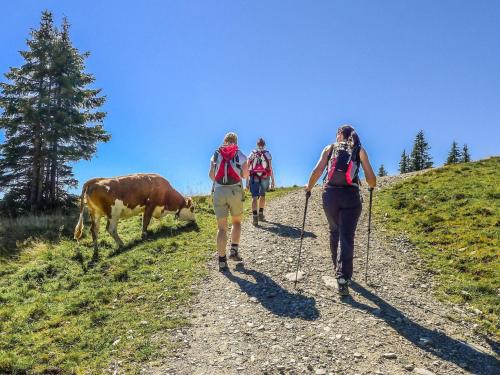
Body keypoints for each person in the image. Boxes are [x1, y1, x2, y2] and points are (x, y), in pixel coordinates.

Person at [305, 125, 376, 296]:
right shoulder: (359, 149)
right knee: (347, 236)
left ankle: (337, 267)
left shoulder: (330, 148)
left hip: (330, 195)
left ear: (339, 135)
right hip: (351, 195)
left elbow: (318, 170)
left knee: (334, 231)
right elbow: (371, 179)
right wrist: (371, 185)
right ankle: (343, 278)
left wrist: (309, 187)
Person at [209, 132, 249, 271]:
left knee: (221, 228)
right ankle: (234, 251)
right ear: (236, 141)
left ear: (224, 141)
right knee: (236, 222)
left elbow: (211, 175)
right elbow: (245, 175)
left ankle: (221, 261)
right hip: (235, 191)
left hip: (219, 191)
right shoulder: (240, 154)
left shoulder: (216, 154)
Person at [247, 138, 275, 225]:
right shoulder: (267, 154)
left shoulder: (252, 153)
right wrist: (273, 180)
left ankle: (255, 218)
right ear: (264, 145)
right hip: (265, 177)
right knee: (262, 195)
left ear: (257, 145)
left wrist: (246, 181)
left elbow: (247, 168)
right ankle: (261, 215)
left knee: (254, 197)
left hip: (253, 177)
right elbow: (270, 168)